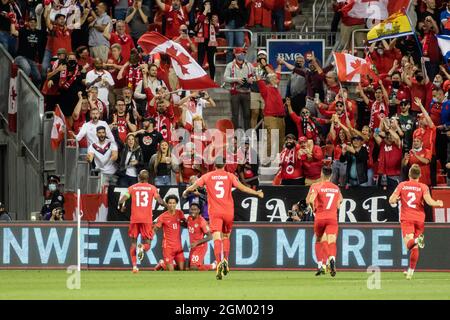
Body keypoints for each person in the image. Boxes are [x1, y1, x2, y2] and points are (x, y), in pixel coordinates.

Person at [182, 157, 264, 280]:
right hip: (228, 211)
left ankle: (219, 262)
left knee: (216, 237)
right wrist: (257, 193)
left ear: (214, 165)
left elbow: (194, 186)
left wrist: (186, 191)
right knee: (226, 236)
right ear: (225, 164)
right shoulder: (230, 176)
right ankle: (225, 260)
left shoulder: (208, 176)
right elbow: (242, 187)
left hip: (215, 212)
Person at [389, 164, 443, 280]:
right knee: (415, 248)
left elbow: (391, 200)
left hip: (407, 218)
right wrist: (437, 203)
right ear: (420, 175)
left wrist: (396, 200)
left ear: (409, 174)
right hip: (419, 219)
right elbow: (429, 201)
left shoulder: (402, 185)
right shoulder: (423, 186)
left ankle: (418, 240)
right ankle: (411, 271)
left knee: (409, 244)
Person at [117, 169, 167, 273]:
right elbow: (160, 201)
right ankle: (143, 247)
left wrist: (120, 206)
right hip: (146, 220)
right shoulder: (152, 188)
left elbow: (122, 199)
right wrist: (166, 206)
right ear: (148, 178)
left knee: (133, 243)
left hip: (134, 219)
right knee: (148, 243)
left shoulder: (132, 188)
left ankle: (135, 267)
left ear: (139, 177)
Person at [306, 166, 343, 277]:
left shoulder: (316, 186)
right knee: (331, 241)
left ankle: (321, 265)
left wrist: (314, 208)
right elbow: (339, 201)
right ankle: (331, 259)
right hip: (332, 218)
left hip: (320, 218)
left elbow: (310, 200)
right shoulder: (336, 188)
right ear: (331, 175)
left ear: (321, 174)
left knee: (319, 240)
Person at [153, 195, 187, 271]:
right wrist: (149, 238)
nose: (172, 205)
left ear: (176, 204)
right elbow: (155, 228)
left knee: (182, 270)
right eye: (170, 203)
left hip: (178, 247)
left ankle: (163, 264)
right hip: (168, 248)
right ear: (167, 204)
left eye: (173, 203)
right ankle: (163, 264)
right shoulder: (162, 216)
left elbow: (185, 224)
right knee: (171, 272)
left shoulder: (180, 213)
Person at [223, 47, 254, 130]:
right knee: (235, 114)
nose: (243, 55)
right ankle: (235, 134)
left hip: (246, 92)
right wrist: (236, 79)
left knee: (247, 114)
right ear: (236, 54)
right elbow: (225, 78)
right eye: (241, 53)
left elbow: (256, 75)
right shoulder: (230, 65)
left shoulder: (249, 65)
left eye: (243, 53)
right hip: (235, 92)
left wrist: (251, 79)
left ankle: (247, 134)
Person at [187, 201, 215, 271]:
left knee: (193, 268)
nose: (193, 211)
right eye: (191, 209)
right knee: (187, 268)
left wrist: (196, 243)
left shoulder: (202, 221)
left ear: (199, 210)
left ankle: (213, 265)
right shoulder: (189, 218)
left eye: (195, 209)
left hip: (200, 247)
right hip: (193, 246)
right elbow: (188, 225)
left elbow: (210, 236)